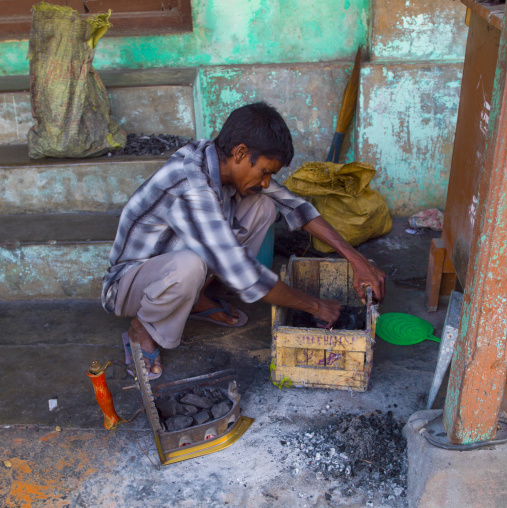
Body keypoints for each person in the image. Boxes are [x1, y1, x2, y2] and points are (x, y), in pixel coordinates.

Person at [101, 102, 385, 379]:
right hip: (128, 286)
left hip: (171, 265)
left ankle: (196, 298)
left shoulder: (220, 160)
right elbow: (245, 274)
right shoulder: (190, 182)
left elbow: (295, 206)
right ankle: (142, 328)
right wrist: (315, 306)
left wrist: (356, 260)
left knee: (264, 205)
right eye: (265, 172)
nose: (266, 181)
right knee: (190, 266)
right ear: (240, 153)